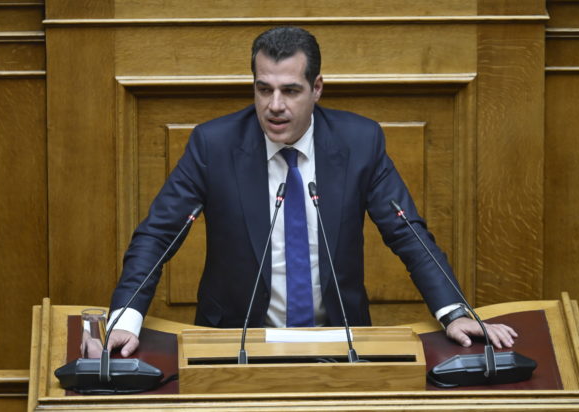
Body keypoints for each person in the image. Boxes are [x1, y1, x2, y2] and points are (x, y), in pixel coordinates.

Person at [105, 26, 517, 358]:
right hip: (235, 340)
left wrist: (453, 311)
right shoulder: (213, 146)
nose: (274, 105)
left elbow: (406, 231)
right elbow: (159, 234)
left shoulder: (359, 143)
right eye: (264, 89)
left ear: (317, 88)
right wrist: (125, 318)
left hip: (339, 340)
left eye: (290, 90)